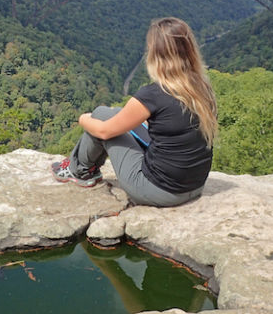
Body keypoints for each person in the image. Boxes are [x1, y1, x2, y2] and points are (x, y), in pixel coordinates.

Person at [51, 17, 217, 207]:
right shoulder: (201, 88)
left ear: (155, 54)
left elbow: (104, 131)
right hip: (194, 187)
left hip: (158, 191)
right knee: (110, 113)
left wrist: (83, 119)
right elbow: (169, 126)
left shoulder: (153, 94)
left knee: (99, 117)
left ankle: (79, 170)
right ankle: (80, 167)